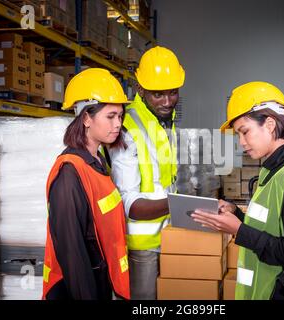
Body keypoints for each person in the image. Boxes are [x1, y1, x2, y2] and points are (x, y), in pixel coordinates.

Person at [192, 81, 284, 300]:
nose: (241, 142)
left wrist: (240, 231)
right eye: (238, 136)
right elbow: (272, 226)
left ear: (270, 124)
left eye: (245, 132)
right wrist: (235, 213)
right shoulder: (272, 170)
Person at [42, 68, 131, 300]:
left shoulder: (97, 161)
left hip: (101, 282)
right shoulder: (69, 174)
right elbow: (72, 253)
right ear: (86, 118)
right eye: (110, 116)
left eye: (120, 116)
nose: (118, 123)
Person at [110, 46, 185, 299]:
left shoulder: (164, 120)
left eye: (173, 93)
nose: (167, 101)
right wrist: (179, 205)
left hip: (168, 236)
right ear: (140, 89)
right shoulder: (127, 128)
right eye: (158, 94)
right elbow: (129, 203)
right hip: (142, 247)